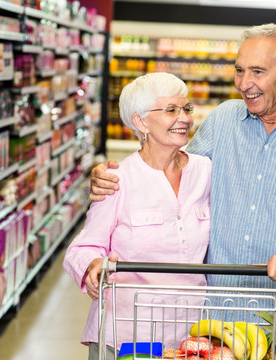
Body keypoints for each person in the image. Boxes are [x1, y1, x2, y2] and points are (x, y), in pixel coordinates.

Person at [89, 24, 276, 360]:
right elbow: (175, 170)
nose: (244, 84)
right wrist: (116, 175)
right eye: (239, 70)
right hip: (212, 314)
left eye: (257, 72)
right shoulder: (224, 120)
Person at [63, 72, 212, 360]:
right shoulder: (118, 179)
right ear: (140, 121)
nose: (184, 118)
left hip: (191, 334)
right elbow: (82, 248)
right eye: (171, 110)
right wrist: (93, 265)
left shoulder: (205, 172)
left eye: (186, 108)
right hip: (129, 334)